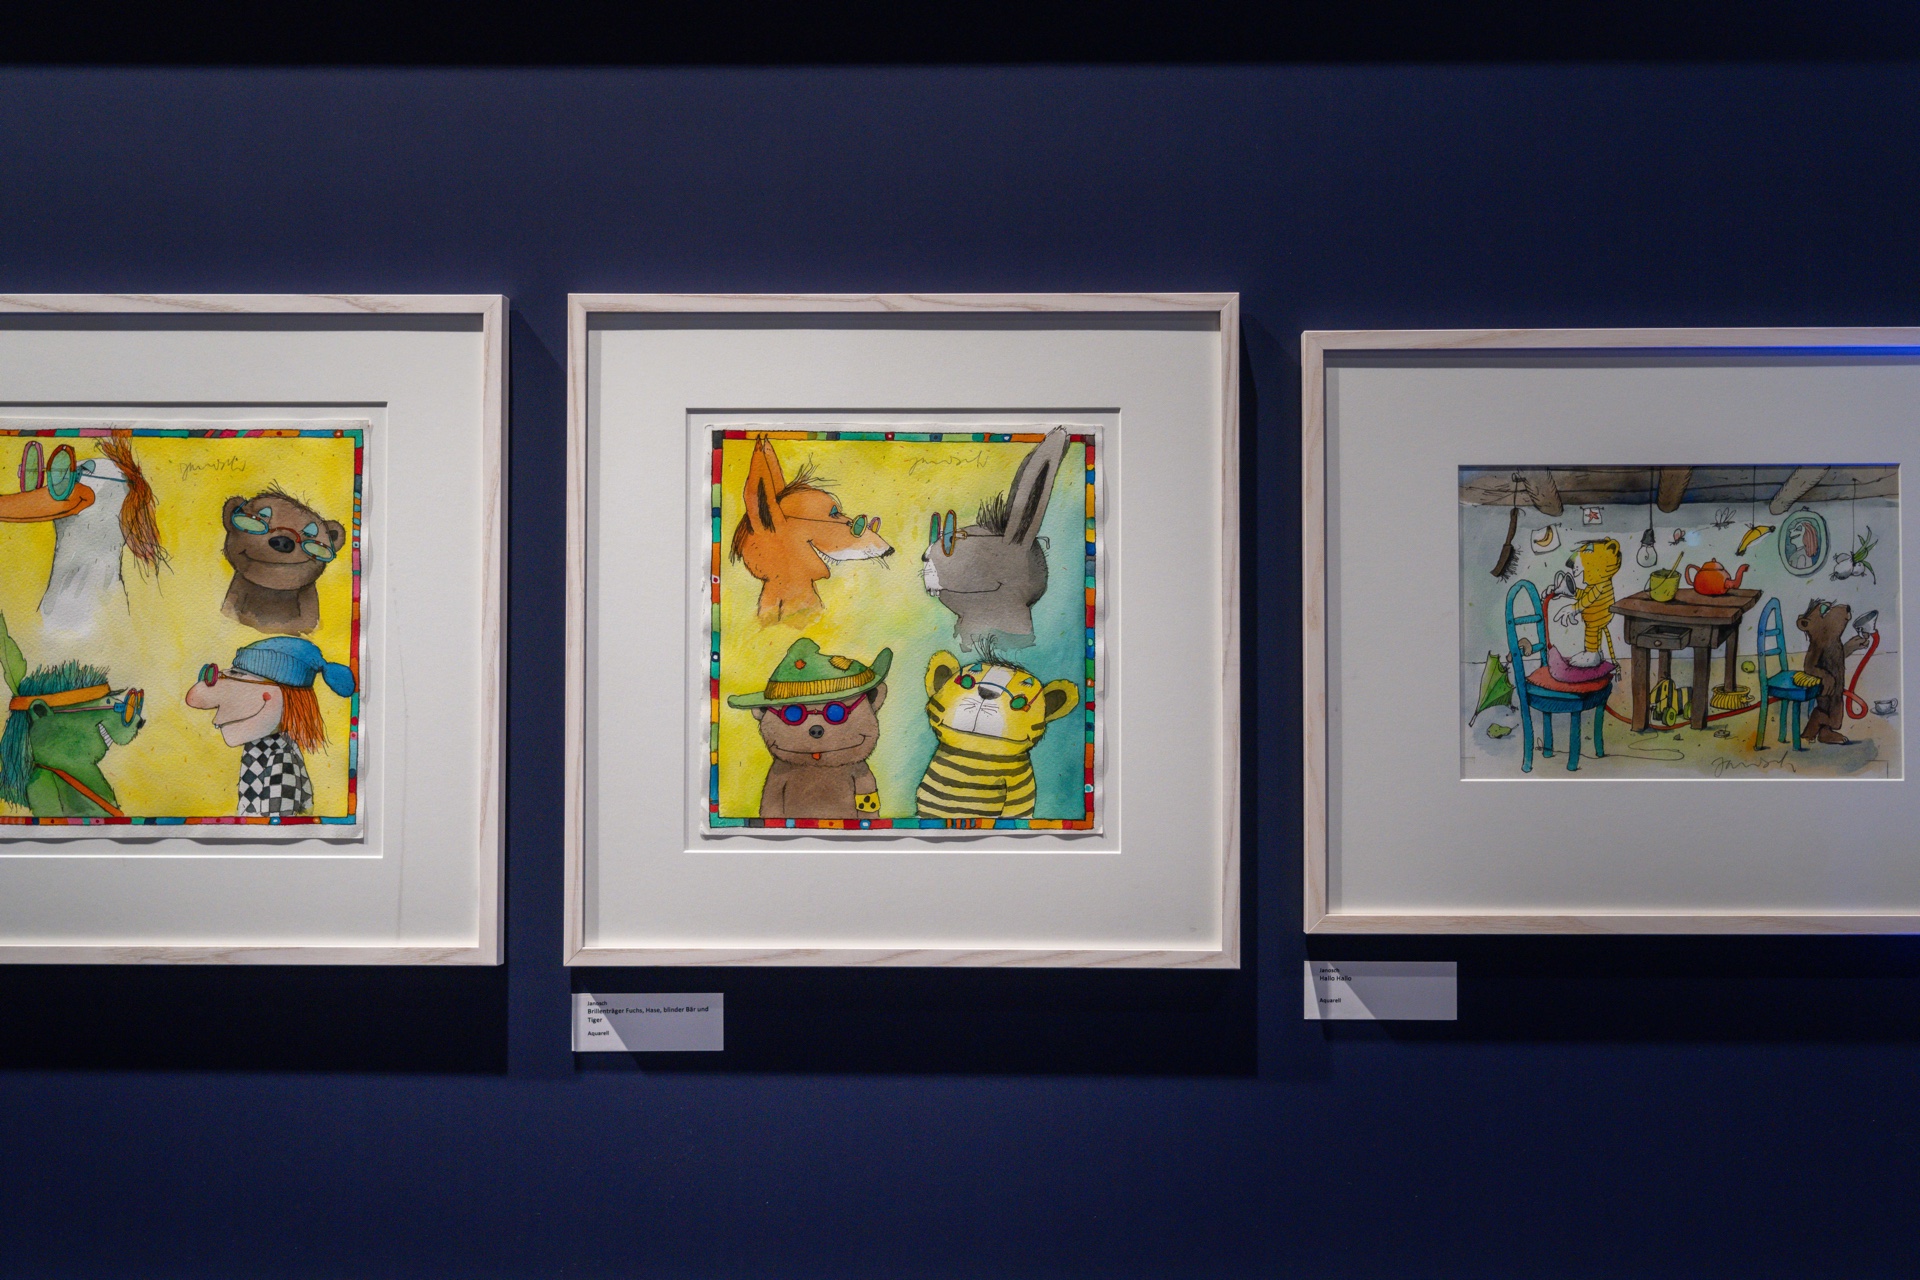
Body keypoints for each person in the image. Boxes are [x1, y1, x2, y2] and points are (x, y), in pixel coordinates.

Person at [185, 636, 355, 816]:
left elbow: (278, 825)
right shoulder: (259, 748)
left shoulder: (280, 759)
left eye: (236, 675)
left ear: (270, 696)